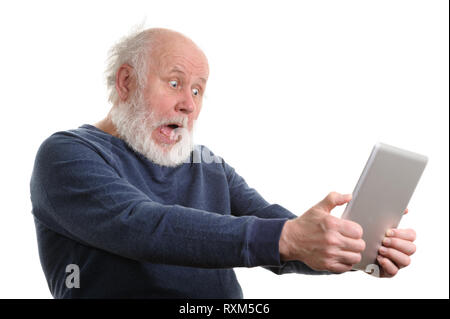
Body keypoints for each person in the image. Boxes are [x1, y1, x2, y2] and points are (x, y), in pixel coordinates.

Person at [30, 28, 417, 298]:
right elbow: (143, 226)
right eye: (175, 83)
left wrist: (349, 248)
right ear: (127, 82)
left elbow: (277, 228)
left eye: (198, 90)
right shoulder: (67, 154)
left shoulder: (206, 163)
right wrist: (287, 238)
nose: (190, 104)